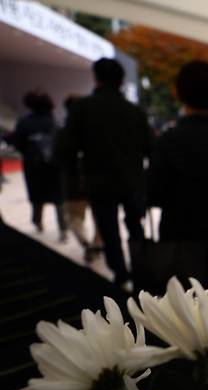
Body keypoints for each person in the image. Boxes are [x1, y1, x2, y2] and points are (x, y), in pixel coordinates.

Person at [148, 60, 208, 278]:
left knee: (180, 309)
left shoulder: (167, 142)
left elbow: (153, 194)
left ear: (180, 94)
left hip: (179, 246)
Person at [61, 58, 153, 286]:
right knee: (135, 226)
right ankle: (141, 270)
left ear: (96, 78)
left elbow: (68, 147)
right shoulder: (135, 112)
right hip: (132, 180)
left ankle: (120, 273)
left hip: (98, 180)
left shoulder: (83, 108)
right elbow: (151, 148)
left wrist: (75, 178)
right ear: (121, 81)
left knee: (108, 229)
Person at [9, 91, 67, 241]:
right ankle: (63, 229)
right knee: (58, 198)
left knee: (36, 195)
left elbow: (18, 143)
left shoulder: (24, 122)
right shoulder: (53, 122)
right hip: (54, 165)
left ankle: (38, 221)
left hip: (33, 165)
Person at [54, 95, 103, 262]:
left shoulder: (63, 132)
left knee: (74, 218)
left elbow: (57, 158)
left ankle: (86, 243)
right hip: (96, 181)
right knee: (101, 217)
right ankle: (97, 244)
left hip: (72, 182)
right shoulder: (96, 130)